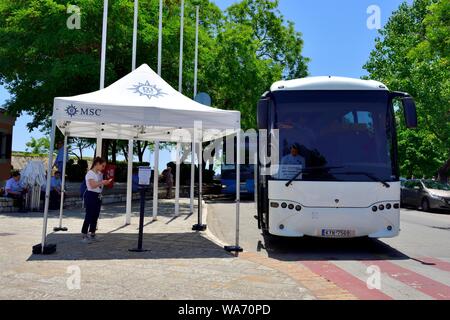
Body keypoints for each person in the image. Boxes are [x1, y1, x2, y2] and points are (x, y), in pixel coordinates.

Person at [81, 157, 112, 243]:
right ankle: (84, 235)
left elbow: (99, 186)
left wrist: (104, 182)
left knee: (95, 215)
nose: (103, 168)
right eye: (102, 165)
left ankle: (92, 234)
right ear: (97, 163)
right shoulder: (90, 173)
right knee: (89, 215)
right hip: (91, 195)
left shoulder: (99, 173)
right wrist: (102, 182)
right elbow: (92, 185)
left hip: (98, 195)